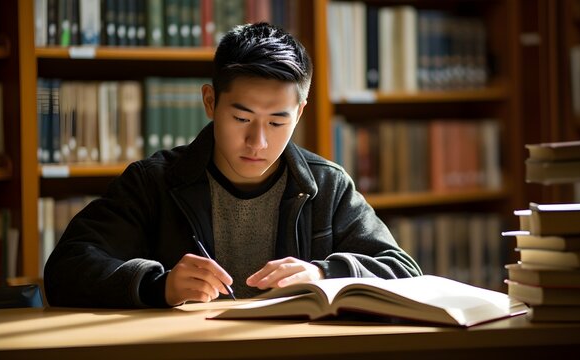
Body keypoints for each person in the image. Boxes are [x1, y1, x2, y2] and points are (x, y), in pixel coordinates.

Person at [44, 22, 422, 308]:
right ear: (210, 102)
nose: (258, 142)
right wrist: (158, 285)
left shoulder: (327, 185)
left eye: (277, 122)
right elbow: (65, 270)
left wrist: (324, 274)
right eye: (242, 119)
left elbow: (404, 271)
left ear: (300, 112)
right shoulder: (154, 182)